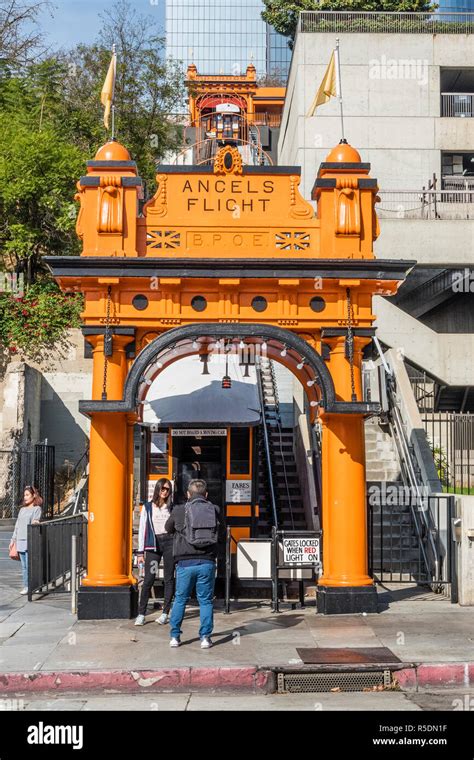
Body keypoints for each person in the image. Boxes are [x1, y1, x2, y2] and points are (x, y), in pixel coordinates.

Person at [165, 478, 225, 649]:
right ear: (206, 495)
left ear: (188, 494)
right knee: (205, 601)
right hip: (207, 562)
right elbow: (221, 532)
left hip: (184, 563)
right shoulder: (214, 509)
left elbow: (168, 528)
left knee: (181, 599)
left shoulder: (179, 510)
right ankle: (205, 638)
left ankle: (175, 637)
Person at [135, 478, 175, 626]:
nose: (165, 491)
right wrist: (140, 553)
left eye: (167, 489)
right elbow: (142, 530)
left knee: (169, 578)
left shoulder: (172, 507)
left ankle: (165, 613)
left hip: (170, 543)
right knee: (149, 579)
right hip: (154, 545)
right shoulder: (148, 507)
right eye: (162, 488)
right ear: (157, 489)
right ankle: (141, 613)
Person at [9, 486, 43, 595]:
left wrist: (36, 522)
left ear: (33, 496)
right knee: (24, 566)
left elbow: (35, 521)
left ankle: (35, 586)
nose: (25, 497)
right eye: (24, 495)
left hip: (30, 540)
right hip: (20, 540)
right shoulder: (22, 510)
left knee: (31, 565)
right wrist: (13, 539)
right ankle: (26, 586)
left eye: (27, 495)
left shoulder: (37, 509)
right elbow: (17, 526)